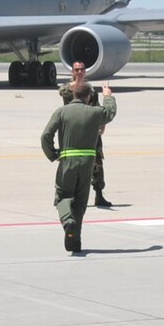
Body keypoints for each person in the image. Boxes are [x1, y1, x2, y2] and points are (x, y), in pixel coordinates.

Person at [41, 81, 118, 254]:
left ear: (73, 94)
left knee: (63, 197)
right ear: (89, 96)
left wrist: (52, 154)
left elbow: (46, 135)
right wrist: (108, 96)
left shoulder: (61, 112)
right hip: (88, 163)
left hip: (68, 161)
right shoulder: (94, 112)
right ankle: (74, 240)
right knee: (81, 203)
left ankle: (68, 222)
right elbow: (110, 112)